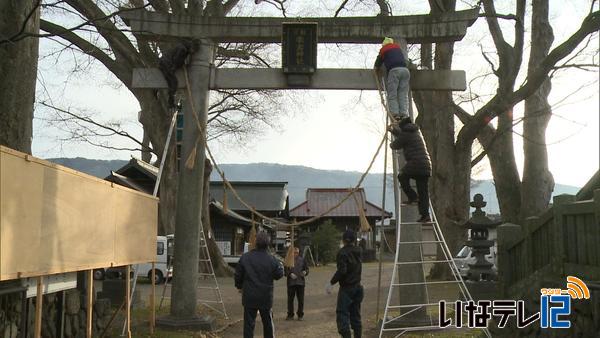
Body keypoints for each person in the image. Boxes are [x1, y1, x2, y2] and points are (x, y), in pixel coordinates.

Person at [235, 232, 284, 338]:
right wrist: (280, 266)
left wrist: (239, 286)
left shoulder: (245, 257)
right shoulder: (272, 259)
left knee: (248, 324)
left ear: (255, 243)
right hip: (265, 296)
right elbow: (279, 274)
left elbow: (238, 275)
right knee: (268, 323)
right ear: (268, 244)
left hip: (249, 296)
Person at [389, 117, 432, 223]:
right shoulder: (416, 132)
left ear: (403, 127)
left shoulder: (406, 134)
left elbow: (395, 145)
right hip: (426, 165)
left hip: (415, 163)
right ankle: (425, 215)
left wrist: (391, 134)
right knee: (423, 192)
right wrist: (394, 131)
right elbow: (402, 136)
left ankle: (412, 197)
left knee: (402, 176)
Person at [325, 230, 363, 338]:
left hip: (347, 288)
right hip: (358, 287)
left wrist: (331, 282)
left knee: (342, 314)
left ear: (343, 240)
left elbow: (342, 271)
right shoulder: (359, 250)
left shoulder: (342, 253)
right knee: (356, 315)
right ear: (354, 240)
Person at [373, 37, 410, 120]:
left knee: (392, 94)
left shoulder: (383, 49)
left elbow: (378, 62)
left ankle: (395, 114)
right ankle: (404, 114)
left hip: (394, 71)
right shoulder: (397, 48)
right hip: (405, 71)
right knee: (402, 93)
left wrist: (376, 68)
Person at [285, 247, 309, 321]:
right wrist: (290, 274)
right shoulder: (288, 260)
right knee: (290, 300)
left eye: (297, 252)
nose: (296, 254)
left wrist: (305, 272)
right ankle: (290, 315)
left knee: (301, 300)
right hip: (291, 283)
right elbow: (285, 271)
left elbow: (307, 269)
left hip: (300, 283)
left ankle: (300, 315)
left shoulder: (302, 260)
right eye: (294, 252)